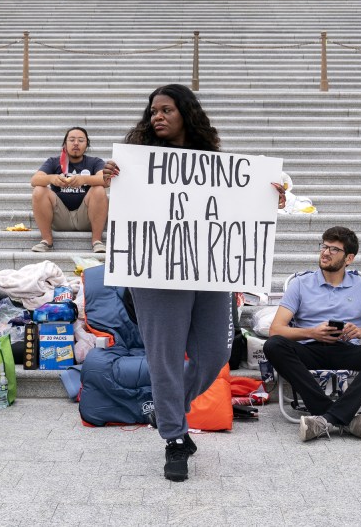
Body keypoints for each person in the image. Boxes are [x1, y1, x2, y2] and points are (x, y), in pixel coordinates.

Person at [102, 84, 286, 482]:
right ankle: (174, 438)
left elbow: (244, 206)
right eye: (153, 111)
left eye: (166, 109)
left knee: (214, 354)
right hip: (154, 274)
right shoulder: (135, 165)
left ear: (186, 113)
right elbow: (125, 213)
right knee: (164, 360)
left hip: (208, 271)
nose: (157, 117)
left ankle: (166, 409)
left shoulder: (214, 165)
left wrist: (270, 198)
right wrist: (112, 182)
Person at [263, 226, 361, 443]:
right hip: (310, 348)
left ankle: (326, 419)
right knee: (273, 345)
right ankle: (342, 416)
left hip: (348, 349)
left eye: (334, 249)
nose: (325, 252)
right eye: (324, 246)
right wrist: (312, 332)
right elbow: (276, 329)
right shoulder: (300, 284)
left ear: (349, 258)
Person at [30, 127, 109, 253]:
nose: (76, 143)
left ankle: (97, 241)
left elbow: (105, 180)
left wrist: (84, 180)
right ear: (65, 144)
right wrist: (52, 178)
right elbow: (34, 180)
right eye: (72, 140)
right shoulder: (53, 161)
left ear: (87, 144)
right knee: (39, 190)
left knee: (99, 189)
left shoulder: (95, 162)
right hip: (60, 217)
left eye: (81, 140)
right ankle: (46, 240)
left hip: (86, 217)